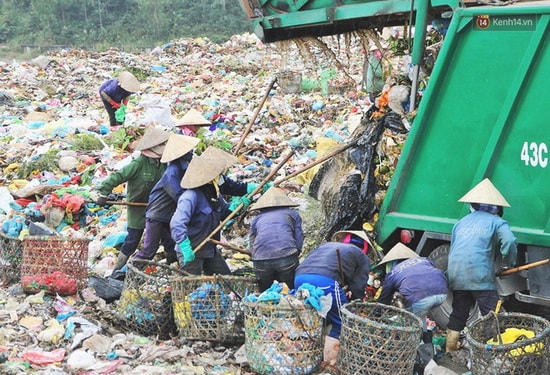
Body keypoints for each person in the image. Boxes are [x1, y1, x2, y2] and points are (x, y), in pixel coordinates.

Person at [446, 178, 517, 353]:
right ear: (496, 207)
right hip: (479, 276)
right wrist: (507, 264)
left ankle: (449, 349)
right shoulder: (496, 222)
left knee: (459, 313)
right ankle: (489, 352)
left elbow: (455, 247)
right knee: (492, 315)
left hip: (455, 273)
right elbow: (509, 241)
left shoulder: (460, 223)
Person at [96, 126, 171, 271]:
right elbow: (117, 177)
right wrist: (104, 194)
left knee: (168, 239)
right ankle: (118, 270)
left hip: (158, 209)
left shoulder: (164, 164)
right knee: (132, 240)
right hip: (138, 209)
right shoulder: (138, 164)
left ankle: (171, 268)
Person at [294, 232, 371, 366]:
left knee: (310, 318)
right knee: (344, 321)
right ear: (366, 248)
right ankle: (329, 363)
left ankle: (303, 356)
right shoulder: (362, 256)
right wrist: (355, 304)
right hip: (325, 280)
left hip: (299, 278)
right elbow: (359, 286)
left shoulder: (327, 246)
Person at [131, 133, 200, 264]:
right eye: (188, 151)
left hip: (168, 215)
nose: (191, 153)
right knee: (149, 250)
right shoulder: (172, 172)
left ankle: (171, 272)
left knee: (171, 247)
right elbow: (179, 195)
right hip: (157, 214)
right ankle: (124, 274)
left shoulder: (182, 167)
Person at [170, 154, 234, 275]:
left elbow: (225, 211)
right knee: (191, 286)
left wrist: (237, 206)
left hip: (209, 247)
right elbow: (177, 223)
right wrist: (184, 246)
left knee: (226, 280)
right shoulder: (190, 197)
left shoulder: (214, 194)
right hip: (192, 249)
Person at [376, 242, 448, 342]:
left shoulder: (393, 272)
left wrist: (376, 315)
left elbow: (384, 300)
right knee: (420, 318)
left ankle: (420, 350)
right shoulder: (423, 260)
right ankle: (427, 346)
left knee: (413, 326)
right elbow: (432, 272)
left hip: (420, 298)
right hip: (443, 292)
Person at [248, 187, 303, 292]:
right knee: (289, 292)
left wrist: (255, 255)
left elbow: (252, 242)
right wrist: (295, 253)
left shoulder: (256, 219)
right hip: (286, 256)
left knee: (265, 294)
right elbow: (299, 238)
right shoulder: (293, 214)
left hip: (261, 260)